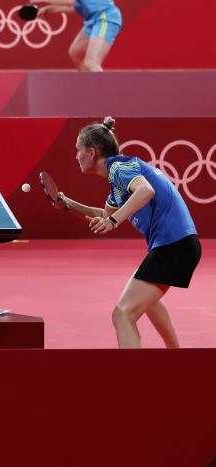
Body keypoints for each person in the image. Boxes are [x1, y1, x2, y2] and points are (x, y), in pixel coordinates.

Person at [53, 117, 200, 349]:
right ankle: (176, 355)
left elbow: (145, 191)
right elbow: (103, 214)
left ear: (91, 153)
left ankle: (133, 378)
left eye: (77, 150)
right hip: (178, 244)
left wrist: (114, 220)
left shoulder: (119, 168)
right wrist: (69, 204)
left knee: (122, 314)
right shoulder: (118, 181)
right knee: (146, 301)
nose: (75, 156)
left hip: (175, 245)